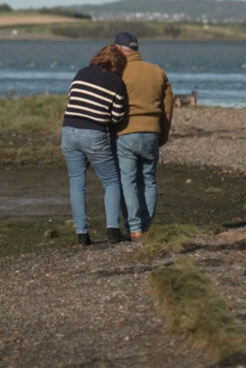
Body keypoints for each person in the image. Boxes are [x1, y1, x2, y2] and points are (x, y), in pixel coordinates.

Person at [60, 44, 129, 246]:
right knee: (111, 182)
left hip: (69, 129)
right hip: (94, 133)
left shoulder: (81, 72)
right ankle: (112, 230)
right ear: (120, 63)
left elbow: (71, 98)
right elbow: (117, 116)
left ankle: (82, 234)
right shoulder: (117, 82)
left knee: (76, 182)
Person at [113, 32, 174, 240]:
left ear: (120, 50)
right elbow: (167, 109)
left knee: (127, 181)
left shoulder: (117, 72)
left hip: (125, 132)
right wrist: (163, 135)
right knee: (148, 180)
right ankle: (145, 227)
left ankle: (134, 228)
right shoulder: (157, 72)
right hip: (152, 131)